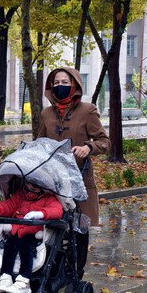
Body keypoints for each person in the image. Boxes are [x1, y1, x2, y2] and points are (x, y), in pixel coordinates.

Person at [38, 67, 110, 281]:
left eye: (65, 82)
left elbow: (104, 142)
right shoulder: (46, 113)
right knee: (53, 227)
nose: (60, 86)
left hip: (80, 180)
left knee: (80, 229)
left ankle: (75, 274)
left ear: (75, 85)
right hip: (52, 181)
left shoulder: (87, 111)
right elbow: (39, 142)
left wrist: (88, 147)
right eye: (56, 82)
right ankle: (52, 270)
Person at [0, 181, 63, 293]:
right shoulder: (21, 195)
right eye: (27, 186)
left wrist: (40, 214)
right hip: (17, 231)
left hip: (34, 233)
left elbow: (57, 211)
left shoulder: (49, 198)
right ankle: (6, 276)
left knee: (25, 246)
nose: (29, 189)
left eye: (34, 187)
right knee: (9, 245)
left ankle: (24, 280)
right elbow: (9, 205)